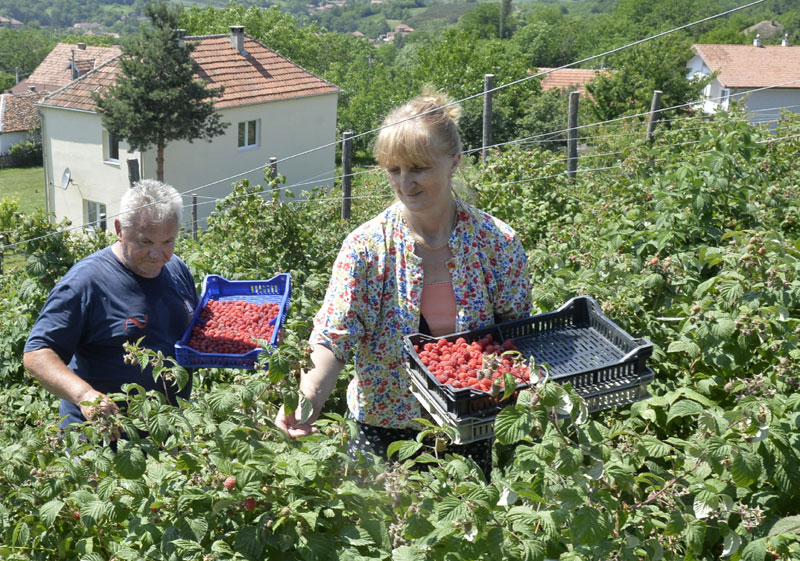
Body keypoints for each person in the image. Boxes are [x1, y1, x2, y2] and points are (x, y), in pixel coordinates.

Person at [274, 89, 531, 473]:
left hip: (470, 428)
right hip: (382, 433)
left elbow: (517, 339)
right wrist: (306, 398)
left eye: (419, 168)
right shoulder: (366, 247)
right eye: (394, 169)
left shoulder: (496, 243)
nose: (405, 182)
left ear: (454, 163)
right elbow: (333, 337)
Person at [23, 179, 197, 436]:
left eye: (168, 242)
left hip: (167, 434)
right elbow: (37, 354)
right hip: (104, 440)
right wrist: (84, 396)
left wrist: (252, 343)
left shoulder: (176, 269)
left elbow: (197, 333)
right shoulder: (86, 282)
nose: (158, 254)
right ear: (119, 229)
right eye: (145, 242)